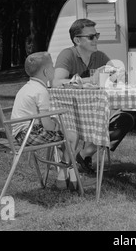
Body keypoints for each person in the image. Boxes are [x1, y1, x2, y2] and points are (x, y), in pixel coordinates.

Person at [53, 18, 135, 174]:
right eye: (91, 37)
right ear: (77, 40)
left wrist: (118, 75)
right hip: (72, 117)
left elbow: (116, 74)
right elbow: (57, 81)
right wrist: (90, 80)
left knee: (127, 120)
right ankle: (72, 162)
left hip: (96, 114)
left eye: (96, 35)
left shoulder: (100, 56)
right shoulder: (68, 55)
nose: (96, 39)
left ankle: (84, 154)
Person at [11, 52, 95, 190]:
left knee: (64, 138)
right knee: (73, 136)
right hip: (29, 135)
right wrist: (57, 126)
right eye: (53, 66)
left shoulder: (26, 87)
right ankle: (64, 176)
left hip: (19, 134)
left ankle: (68, 178)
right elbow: (47, 125)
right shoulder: (41, 91)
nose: (55, 69)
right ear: (46, 72)